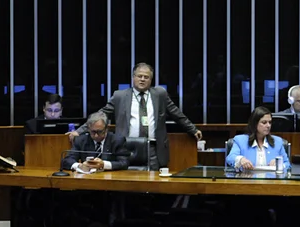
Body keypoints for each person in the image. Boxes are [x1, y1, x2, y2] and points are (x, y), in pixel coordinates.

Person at [68, 63, 202, 170]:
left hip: (153, 147)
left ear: (151, 79)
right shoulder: (120, 96)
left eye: (146, 77)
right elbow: (100, 115)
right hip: (125, 146)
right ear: (133, 77)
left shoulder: (160, 94)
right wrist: (79, 131)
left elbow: (176, 113)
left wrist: (193, 129)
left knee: (153, 184)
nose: (142, 79)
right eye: (139, 76)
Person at [62, 112, 130, 172]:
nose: (96, 135)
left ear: (106, 129)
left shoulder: (117, 140)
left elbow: (124, 163)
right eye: (93, 132)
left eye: (99, 132)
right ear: (88, 129)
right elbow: (66, 161)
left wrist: (104, 164)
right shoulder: (81, 140)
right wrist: (80, 166)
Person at [226, 107, 290, 170]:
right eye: (264, 122)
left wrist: (279, 164)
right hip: (246, 178)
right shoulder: (240, 140)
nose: (268, 126)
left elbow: (288, 164)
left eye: (270, 122)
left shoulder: (277, 142)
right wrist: (241, 160)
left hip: (271, 179)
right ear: (255, 123)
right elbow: (230, 158)